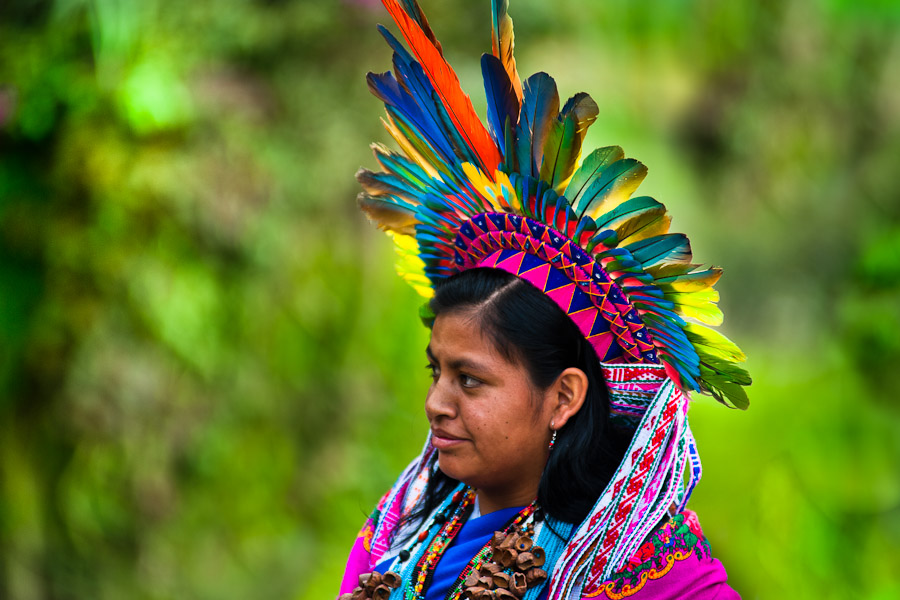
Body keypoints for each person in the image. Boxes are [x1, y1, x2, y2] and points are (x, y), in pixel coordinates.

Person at [340, 1, 750, 598]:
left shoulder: (647, 570)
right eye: (437, 372)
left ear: (563, 397)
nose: (435, 404)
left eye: (470, 380)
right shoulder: (399, 533)